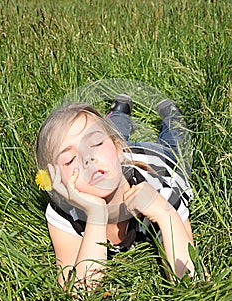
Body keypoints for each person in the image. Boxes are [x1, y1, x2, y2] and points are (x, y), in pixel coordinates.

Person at [35, 92, 195, 290]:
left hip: (158, 158)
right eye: (69, 160)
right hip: (117, 158)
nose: (87, 158)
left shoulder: (159, 192)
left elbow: (191, 281)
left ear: (119, 150)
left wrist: (165, 214)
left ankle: (171, 116)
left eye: (95, 144)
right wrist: (96, 214)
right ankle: (119, 111)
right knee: (111, 136)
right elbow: (78, 291)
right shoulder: (65, 211)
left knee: (173, 144)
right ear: (56, 180)